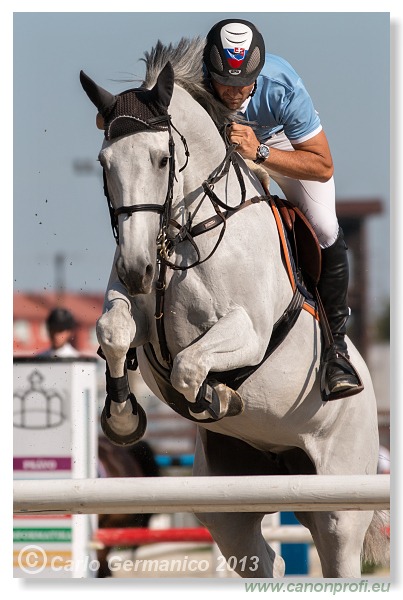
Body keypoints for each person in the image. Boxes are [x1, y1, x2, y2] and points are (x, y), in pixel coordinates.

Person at [202, 18, 362, 400]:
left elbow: (322, 165)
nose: (236, 93)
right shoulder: (192, 73)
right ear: (208, 71)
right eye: (226, 83)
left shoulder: (281, 84)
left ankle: (335, 351)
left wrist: (261, 151)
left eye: (245, 84)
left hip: (277, 145)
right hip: (217, 149)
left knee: (323, 226)